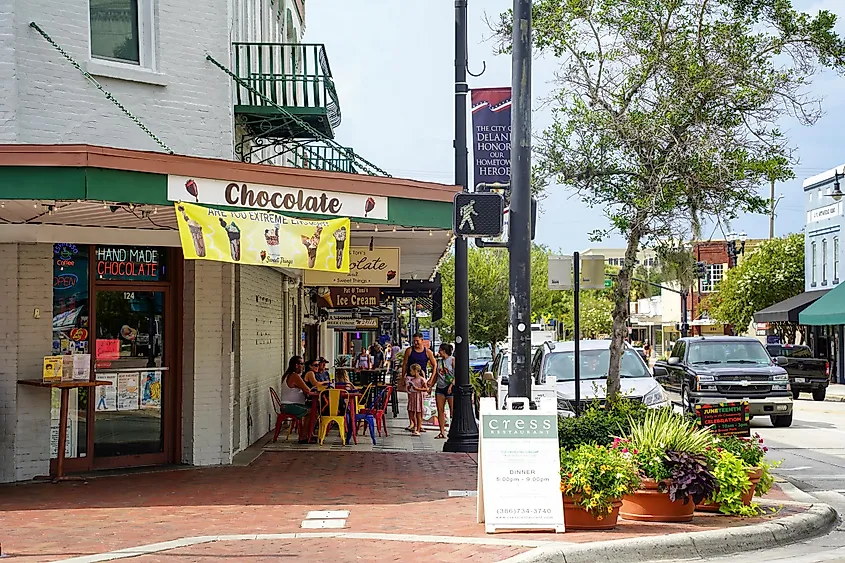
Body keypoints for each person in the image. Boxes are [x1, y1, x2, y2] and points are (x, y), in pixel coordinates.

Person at [401, 332, 437, 431]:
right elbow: (404, 364)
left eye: (417, 341)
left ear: (422, 340)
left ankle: (419, 424)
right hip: (410, 378)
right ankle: (412, 422)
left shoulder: (427, 352)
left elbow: (435, 365)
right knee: (411, 402)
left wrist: (431, 378)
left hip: (421, 379)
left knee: (420, 403)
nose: (416, 343)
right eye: (414, 341)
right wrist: (403, 377)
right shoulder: (409, 350)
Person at [280, 356, 313, 443]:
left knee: (312, 407)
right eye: (302, 364)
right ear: (296, 365)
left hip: (291, 404)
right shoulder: (294, 376)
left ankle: (309, 434)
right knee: (313, 411)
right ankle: (303, 436)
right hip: (289, 406)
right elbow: (307, 390)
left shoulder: (288, 375)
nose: (303, 366)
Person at [428, 343, 454, 439]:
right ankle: (442, 431)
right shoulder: (439, 362)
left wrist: (451, 385)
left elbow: (457, 374)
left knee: (452, 410)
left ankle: (452, 429)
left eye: (440, 350)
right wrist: (431, 385)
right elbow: (436, 375)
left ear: (444, 351)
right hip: (440, 387)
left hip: (450, 387)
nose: (439, 352)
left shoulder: (452, 360)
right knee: (440, 410)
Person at [406, 363, 429, 436]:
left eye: (411, 371)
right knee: (411, 413)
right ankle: (415, 425)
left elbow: (426, 389)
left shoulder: (421, 379)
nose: (410, 372)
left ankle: (418, 429)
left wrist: (418, 389)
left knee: (418, 414)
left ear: (416, 371)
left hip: (418, 396)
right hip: (412, 396)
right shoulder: (412, 379)